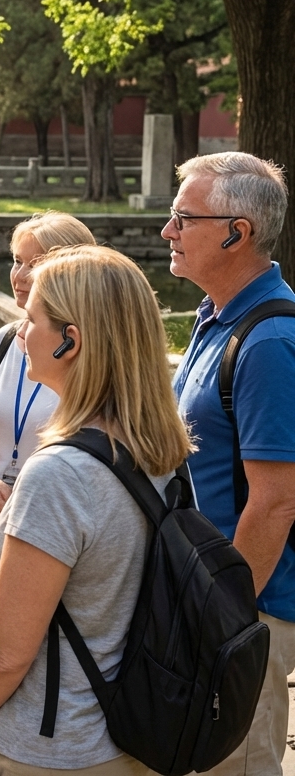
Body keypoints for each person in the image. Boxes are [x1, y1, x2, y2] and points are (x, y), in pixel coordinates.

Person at [0, 244, 193, 776]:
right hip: (140, 728)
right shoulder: (162, 448)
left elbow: (6, 652)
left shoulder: (61, 475)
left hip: (57, 746)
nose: (20, 333)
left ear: (71, 339)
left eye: (33, 318)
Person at [165, 152, 295, 776]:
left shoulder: (269, 341)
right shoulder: (218, 314)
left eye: (183, 217)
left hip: (246, 607)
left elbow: (277, 500)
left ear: (236, 232)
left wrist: (227, 612)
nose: (169, 231)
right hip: (206, 594)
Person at [0, 213, 96, 609]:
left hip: (57, 533)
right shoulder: (7, 341)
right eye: (17, 261)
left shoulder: (90, 354)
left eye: (34, 264)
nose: (20, 275)